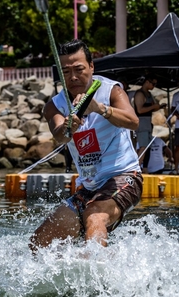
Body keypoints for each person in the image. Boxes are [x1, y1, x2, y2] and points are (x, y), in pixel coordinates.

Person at [29, 39, 143, 252]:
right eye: (66, 72)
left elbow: (133, 121)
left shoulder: (111, 91)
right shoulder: (55, 105)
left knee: (94, 217)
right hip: (89, 187)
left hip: (124, 176)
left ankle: (97, 278)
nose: (73, 77)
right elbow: (59, 136)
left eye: (79, 69)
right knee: (38, 244)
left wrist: (101, 109)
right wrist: (67, 128)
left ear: (91, 66)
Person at [133, 76, 165, 159]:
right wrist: (153, 106)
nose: (154, 86)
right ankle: (135, 167)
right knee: (142, 147)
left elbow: (150, 109)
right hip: (142, 124)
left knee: (146, 147)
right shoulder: (140, 94)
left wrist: (159, 107)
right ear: (147, 82)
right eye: (153, 84)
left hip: (148, 124)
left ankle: (139, 166)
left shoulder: (149, 94)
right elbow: (139, 110)